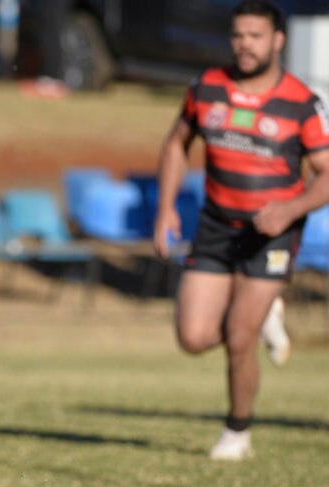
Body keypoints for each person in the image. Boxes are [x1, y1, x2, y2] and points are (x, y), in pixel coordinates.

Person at [153, 0, 329, 460]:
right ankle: (264, 316)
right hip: (215, 225)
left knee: (238, 338)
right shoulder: (207, 87)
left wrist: (291, 209)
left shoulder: (302, 102)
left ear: (277, 40)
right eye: (237, 35)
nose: (244, 45)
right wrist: (166, 209)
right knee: (193, 337)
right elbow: (176, 144)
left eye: (254, 36)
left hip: (272, 234)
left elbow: (327, 173)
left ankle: (237, 431)